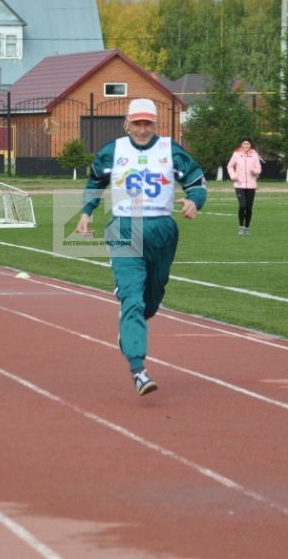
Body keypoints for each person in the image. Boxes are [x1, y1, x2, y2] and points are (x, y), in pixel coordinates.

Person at [75, 98, 207, 396]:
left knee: (152, 298)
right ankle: (138, 368)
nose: (142, 129)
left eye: (147, 123)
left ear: (155, 123)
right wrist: (86, 212)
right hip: (124, 227)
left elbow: (198, 180)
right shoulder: (113, 151)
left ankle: (130, 328)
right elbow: (95, 181)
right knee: (132, 298)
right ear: (127, 122)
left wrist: (194, 200)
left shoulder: (170, 150)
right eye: (137, 123)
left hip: (162, 229)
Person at [226, 137, 262, 236]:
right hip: (239, 185)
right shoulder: (236, 154)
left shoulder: (254, 154)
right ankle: (241, 227)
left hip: (251, 185)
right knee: (242, 206)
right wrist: (233, 176)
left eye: (248, 144)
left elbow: (258, 168)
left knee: (249, 208)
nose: (246, 145)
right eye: (244, 143)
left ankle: (247, 228)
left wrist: (255, 171)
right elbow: (229, 166)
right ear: (241, 145)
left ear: (251, 145)